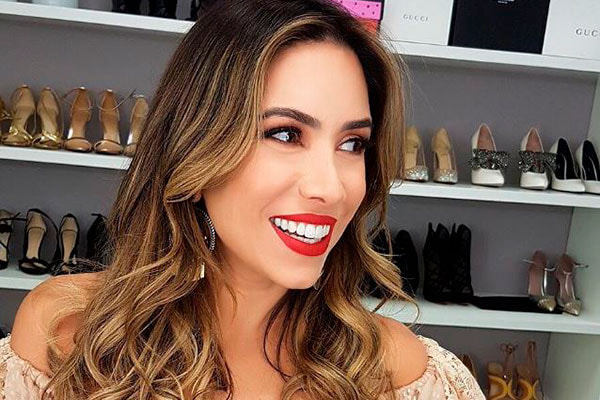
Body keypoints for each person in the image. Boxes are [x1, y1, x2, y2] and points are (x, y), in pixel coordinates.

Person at [0, 0, 485, 398]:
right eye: (285, 134)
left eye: (352, 144)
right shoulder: (66, 333)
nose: (331, 188)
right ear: (194, 149)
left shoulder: (399, 373)